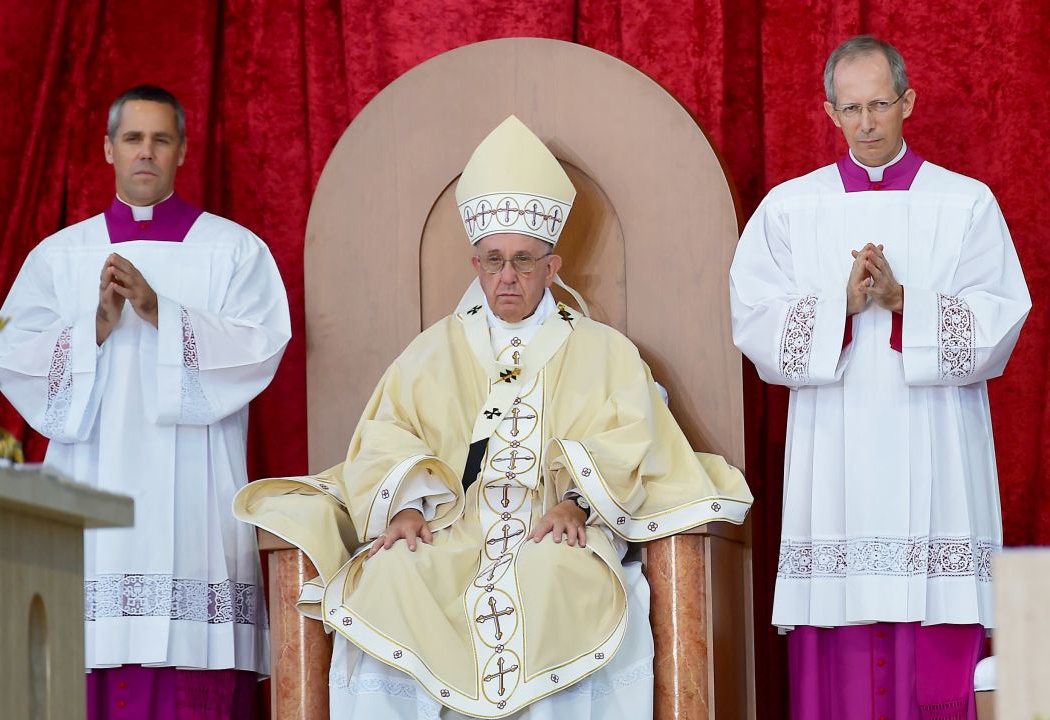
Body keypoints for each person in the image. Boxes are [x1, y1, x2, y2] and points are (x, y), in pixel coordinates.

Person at [235, 115, 752, 719]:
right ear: (474, 262)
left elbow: (632, 440)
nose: (506, 277)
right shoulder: (431, 351)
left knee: (556, 579)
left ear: (552, 267)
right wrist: (403, 506)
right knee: (392, 576)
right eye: (493, 260)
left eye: (524, 261)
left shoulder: (603, 351)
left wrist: (575, 503)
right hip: (455, 529)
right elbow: (385, 436)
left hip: (552, 527)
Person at [729, 36, 1031, 719]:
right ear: (830, 112)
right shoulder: (789, 209)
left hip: (939, 462)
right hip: (832, 469)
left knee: (938, 650)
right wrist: (838, 305)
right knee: (840, 663)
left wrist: (904, 304)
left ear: (908, 103)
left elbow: (1000, 323)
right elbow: (753, 324)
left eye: (880, 105)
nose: (866, 123)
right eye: (851, 108)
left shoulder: (966, 204)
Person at [0, 84, 290, 719]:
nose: (145, 152)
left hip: (195, 509)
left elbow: (261, 348)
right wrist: (93, 327)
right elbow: (10, 354)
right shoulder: (61, 256)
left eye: (160, 139)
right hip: (93, 501)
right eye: (132, 139)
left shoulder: (233, 252)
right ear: (108, 150)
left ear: (181, 150)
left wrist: (161, 312)